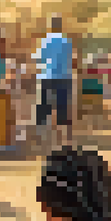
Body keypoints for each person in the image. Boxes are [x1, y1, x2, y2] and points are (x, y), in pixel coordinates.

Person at [34, 16, 75, 146]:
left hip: (48, 75)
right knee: (63, 106)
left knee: (44, 105)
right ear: (60, 26)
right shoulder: (67, 41)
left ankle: (41, 134)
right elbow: (70, 59)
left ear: (50, 27)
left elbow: (40, 58)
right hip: (64, 76)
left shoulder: (45, 42)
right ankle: (65, 138)